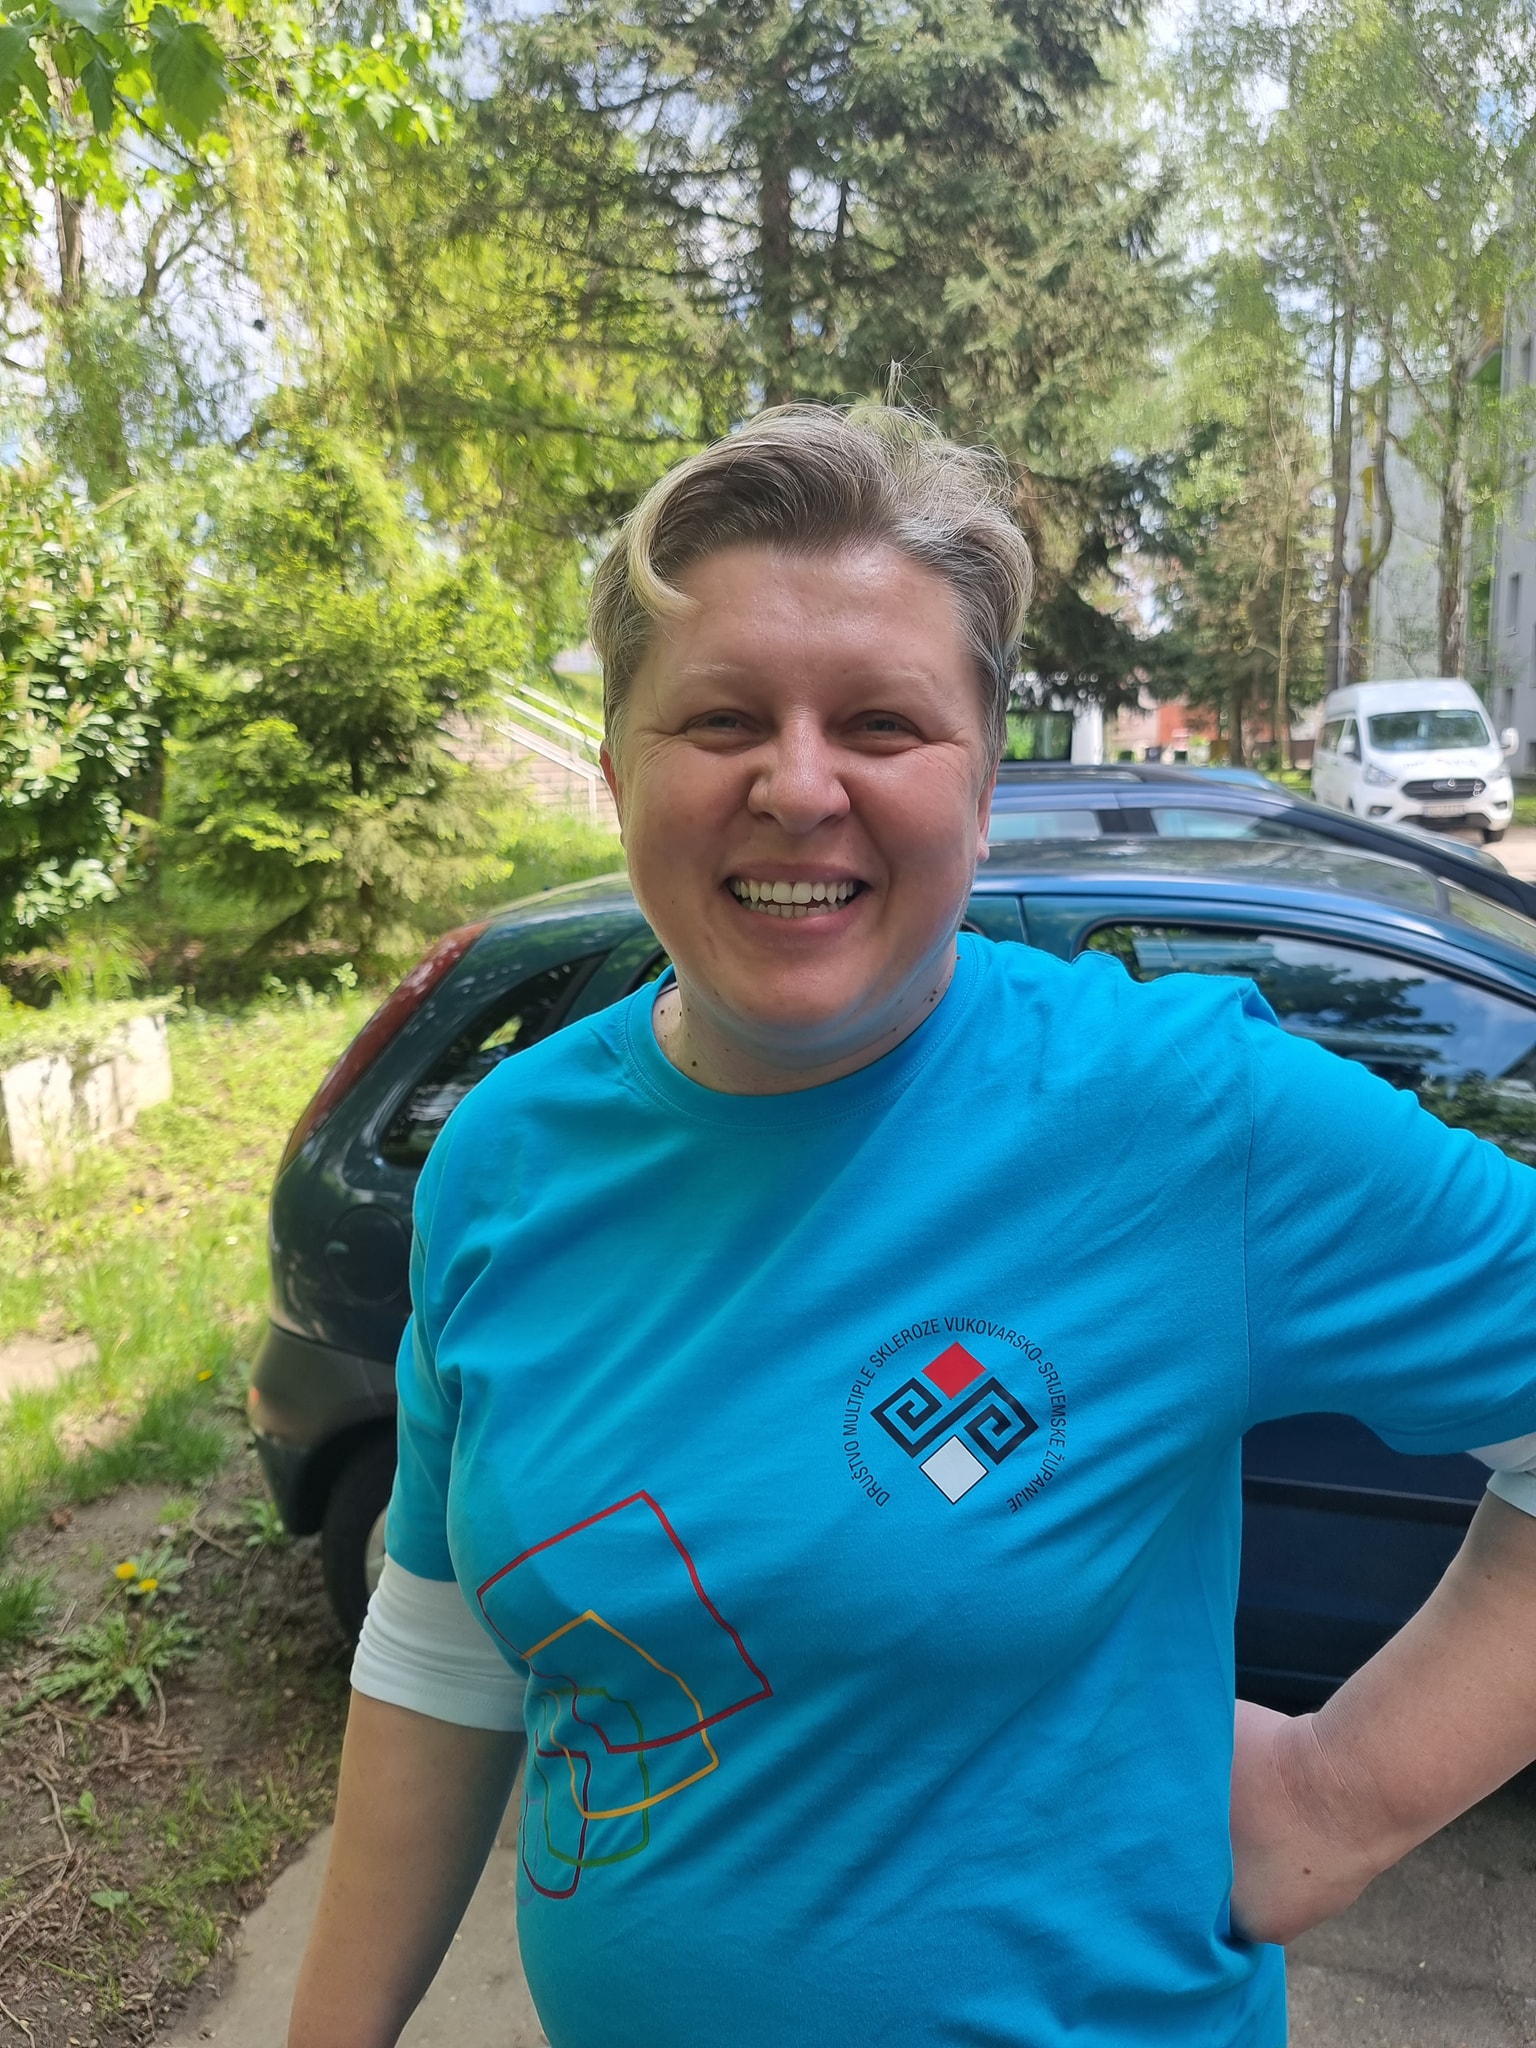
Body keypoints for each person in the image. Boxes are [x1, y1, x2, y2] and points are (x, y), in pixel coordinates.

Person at [287, 405, 1536, 2048]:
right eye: (721, 717)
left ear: (986, 782)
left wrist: (1338, 1799)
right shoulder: (503, 1160)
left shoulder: (1174, 1112)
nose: (799, 786)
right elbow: (447, 1644)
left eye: (881, 723)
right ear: (616, 771)